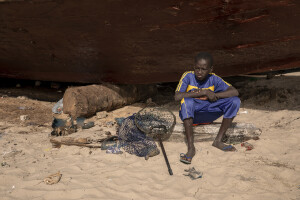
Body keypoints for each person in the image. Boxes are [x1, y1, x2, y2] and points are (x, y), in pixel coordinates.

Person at [174, 52, 240, 164]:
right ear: (193, 67)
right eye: (197, 68)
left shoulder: (214, 79)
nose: (199, 72)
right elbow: (177, 96)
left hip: (209, 113)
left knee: (235, 101)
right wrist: (203, 92)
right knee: (186, 101)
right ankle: (191, 148)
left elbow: (235, 92)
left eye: (203, 69)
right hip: (192, 116)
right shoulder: (188, 76)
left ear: (210, 69)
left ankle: (218, 141)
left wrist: (214, 95)